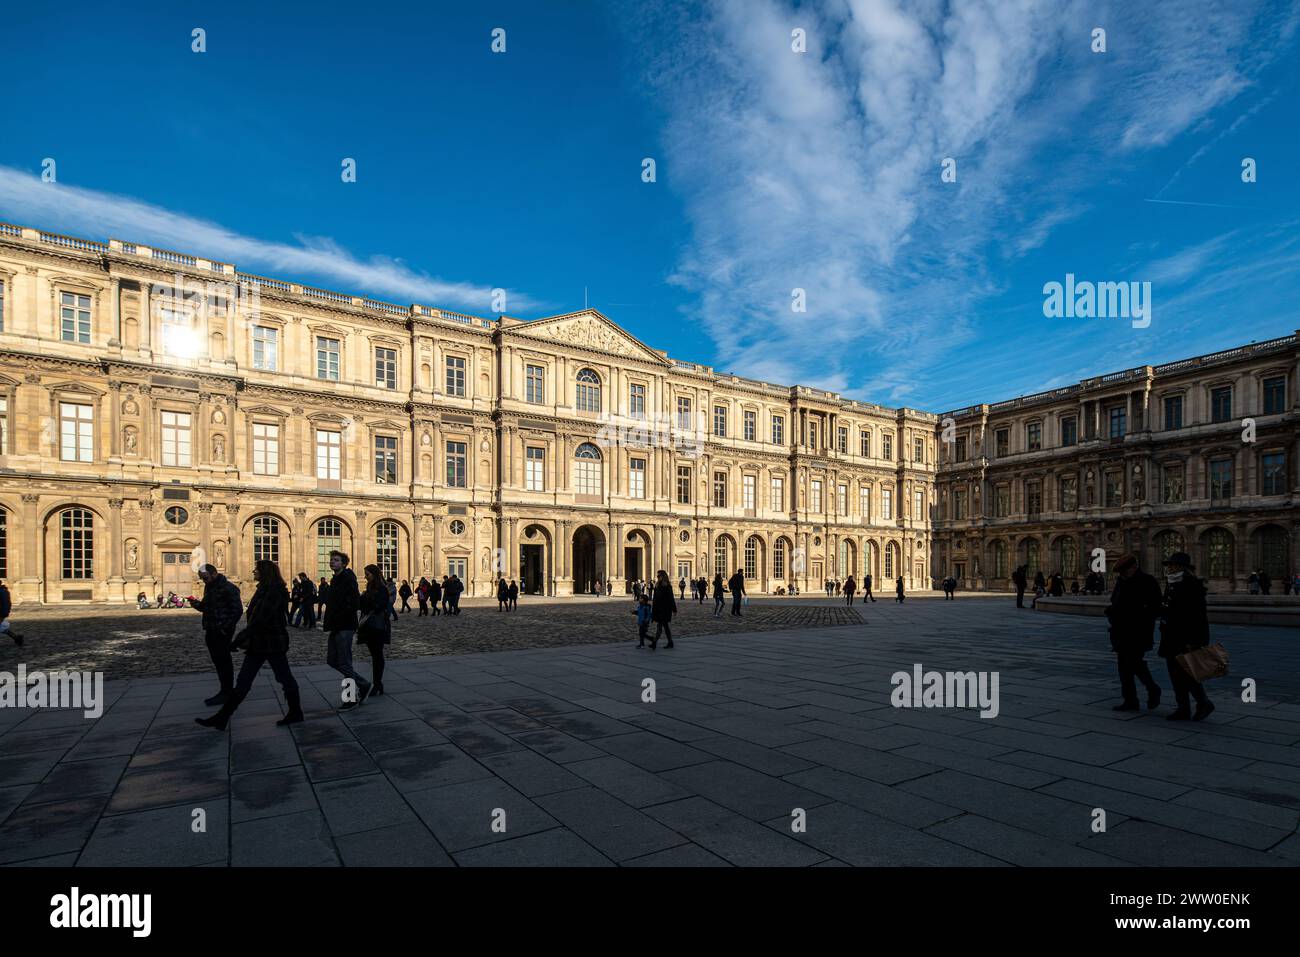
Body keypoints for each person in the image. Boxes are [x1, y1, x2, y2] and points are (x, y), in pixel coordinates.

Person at [195, 560, 303, 731]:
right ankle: (222, 718)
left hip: (272, 642)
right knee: (243, 681)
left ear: (265, 572)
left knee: (284, 678)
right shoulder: (263, 589)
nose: (253, 572)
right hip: (259, 643)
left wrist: (238, 639)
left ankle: (296, 712)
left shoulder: (273, 591)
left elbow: (260, 620)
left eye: (257, 569)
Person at [1158, 552, 1214, 721]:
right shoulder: (1172, 583)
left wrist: (1196, 641)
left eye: (1172, 565)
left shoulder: (1191, 585)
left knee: (1188, 673)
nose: (1169, 568)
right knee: (1175, 673)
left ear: (1181, 567)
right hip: (1171, 636)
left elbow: (1198, 616)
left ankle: (1203, 702)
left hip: (1186, 637)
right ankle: (1183, 707)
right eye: (1168, 566)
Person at [1104, 553, 1163, 712]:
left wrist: (1139, 616)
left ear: (1134, 567)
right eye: (1121, 572)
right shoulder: (1122, 581)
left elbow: (1156, 606)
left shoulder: (1147, 581)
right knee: (1124, 666)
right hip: (1120, 631)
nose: (1123, 574)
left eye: (1125, 570)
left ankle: (1152, 689)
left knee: (1134, 662)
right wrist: (1111, 612)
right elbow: (1115, 601)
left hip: (1138, 631)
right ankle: (1130, 700)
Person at [188, 564, 243, 706]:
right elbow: (205, 607)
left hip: (221, 631)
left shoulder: (229, 588)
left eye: (205, 578)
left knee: (223, 661)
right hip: (211, 629)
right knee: (218, 662)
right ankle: (225, 690)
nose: (204, 581)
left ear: (214, 573)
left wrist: (225, 628)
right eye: (201, 579)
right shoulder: (209, 587)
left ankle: (227, 692)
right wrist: (195, 603)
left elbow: (237, 610)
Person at [323, 550, 371, 711]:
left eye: (336, 560)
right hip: (336, 625)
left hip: (345, 625)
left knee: (344, 662)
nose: (332, 562)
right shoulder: (335, 579)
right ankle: (363, 684)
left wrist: (340, 615)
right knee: (332, 660)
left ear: (344, 563)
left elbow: (353, 603)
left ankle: (350, 698)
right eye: (331, 560)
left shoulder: (348, 579)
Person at [357, 564, 392, 696]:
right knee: (375, 655)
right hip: (370, 625)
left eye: (367, 574)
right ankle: (378, 684)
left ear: (374, 574)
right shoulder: (369, 588)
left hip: (377, 625)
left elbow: (379, 606)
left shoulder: (382, 589)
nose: (365, 577)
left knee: (377, 655)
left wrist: (366, 601)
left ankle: (377, 684)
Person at [648, 570, 677, 650]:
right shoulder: (657, 586)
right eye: (657, 576)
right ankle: (669, 642)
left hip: (665, 609)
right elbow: (655, 599)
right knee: (663, 626)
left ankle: (655, 643)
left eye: (659, 576)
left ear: (663, 577)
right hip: (658, 609)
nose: (657, 578)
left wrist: (674, 609)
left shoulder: (667, 586)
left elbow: (671, 598)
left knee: (661, 626)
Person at [0, 580, 23, 647]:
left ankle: (17, 638)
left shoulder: (2, 592)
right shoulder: (3, 591)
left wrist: (4, 614)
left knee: (2, 627)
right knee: (2, 628)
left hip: (1, 613)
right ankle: (17, 638)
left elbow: (6, 604)